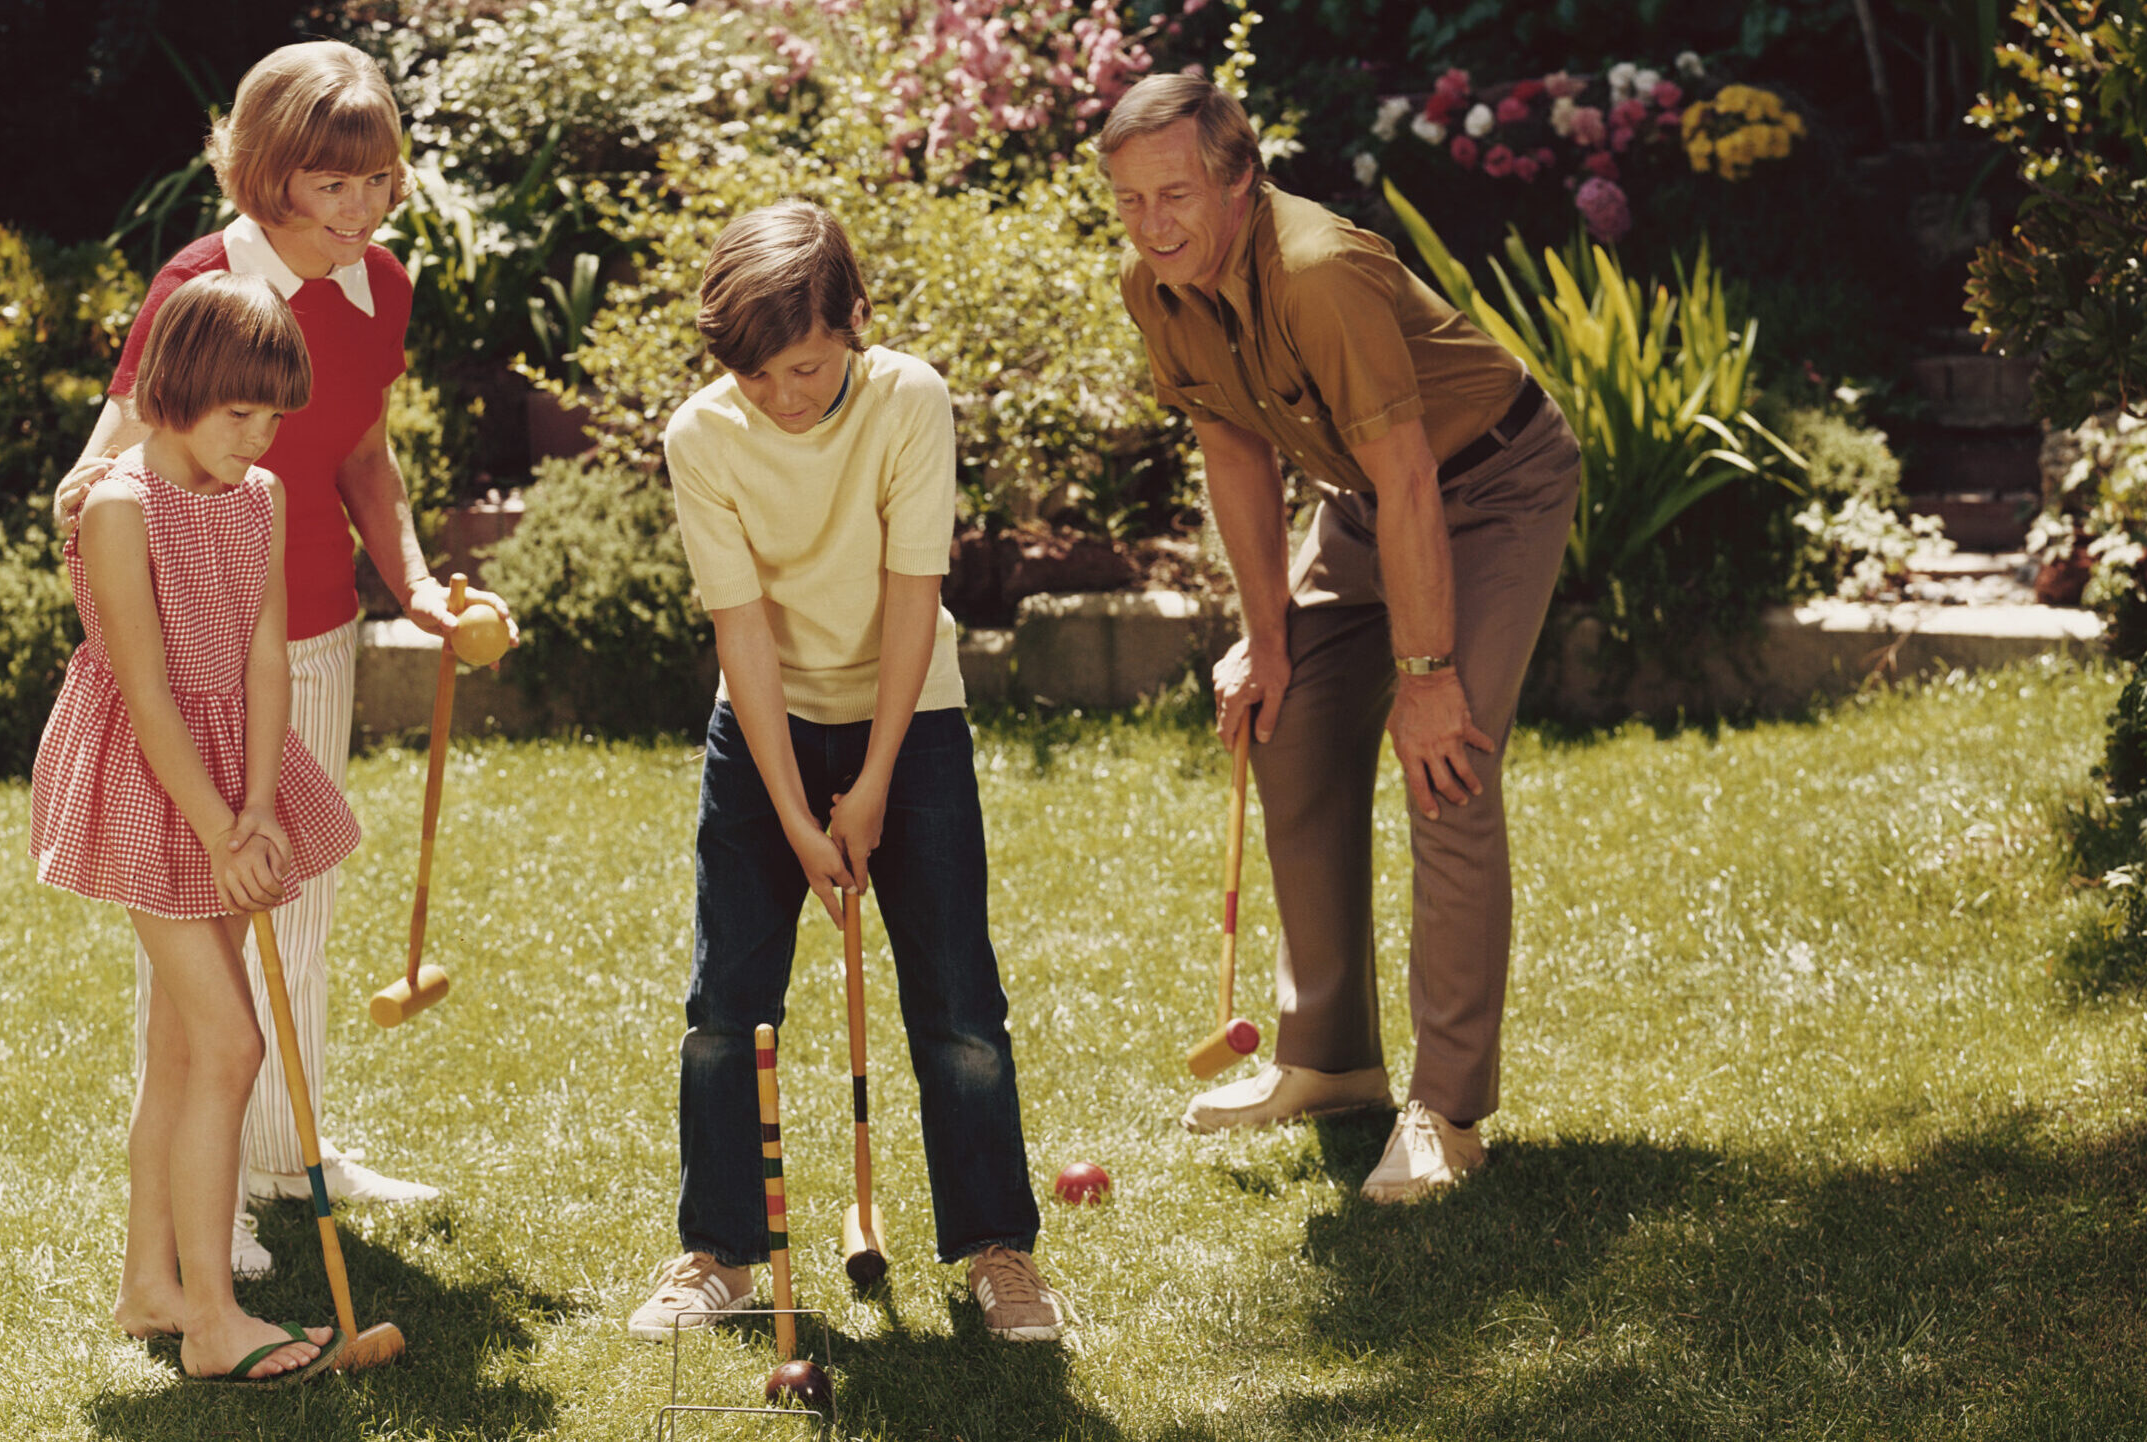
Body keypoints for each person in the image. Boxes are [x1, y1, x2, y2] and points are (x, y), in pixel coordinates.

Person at [54, 40, 507, 1271]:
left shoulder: (382, 288)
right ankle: (203, 1198)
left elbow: (361, 453)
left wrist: (410, 581)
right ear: (266, 176)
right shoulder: (202, 288)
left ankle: (285, 1149)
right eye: (329, 186)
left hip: (307, 632)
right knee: (199, 910)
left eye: (376, 181)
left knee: (293, 899)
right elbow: (100, 475)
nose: (360, 211)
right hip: (194, 659)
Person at [1100, 75, 1580, 1200]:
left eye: (1174, 195)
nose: (1152, 223)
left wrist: (1424, 676)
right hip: (1364, 503)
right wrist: (1265, 637)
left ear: (1239, 181)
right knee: (1290, 713)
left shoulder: (1317, 271)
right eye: (1127, 199)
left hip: (1489, 486)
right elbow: (1233, 448)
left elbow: (1415, 475)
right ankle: (1331, 1058)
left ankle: (1447, 1109)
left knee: (1443, 759)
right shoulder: (1155, 284)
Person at [623, 200, 1068, 1343]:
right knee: (726, 1004)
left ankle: (997, 1250)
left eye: (809, 365)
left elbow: (912, 594)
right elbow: (744, 631)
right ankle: (718, 1250)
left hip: (908, 719)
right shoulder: (703, 436)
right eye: (762, 373)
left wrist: (869, 787)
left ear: (856, 320)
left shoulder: (906, 399)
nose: (785, 394)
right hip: (765, 726)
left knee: (960, 1005)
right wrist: (792, 811)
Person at [30, 271, 358, 1382]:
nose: (257, 438)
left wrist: (260, 804)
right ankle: (214, 1316)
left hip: (229, 783)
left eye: (272, 418)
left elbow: (267, 653)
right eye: (238, 414)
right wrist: (217, 823)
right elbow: (149, 690)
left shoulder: (258, 495)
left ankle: (149, 1287)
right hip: (150, 779)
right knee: (232, 1042)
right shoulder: (119, 506)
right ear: (170, 390)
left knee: (181, 1048)